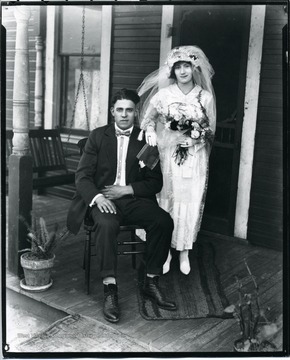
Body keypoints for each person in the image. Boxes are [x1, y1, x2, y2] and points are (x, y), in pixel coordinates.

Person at [66, 88, 177, 324]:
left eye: (129, 110)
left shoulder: (146, 140)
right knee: (106, 224)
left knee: (163, 221)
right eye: (120, 110)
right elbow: (82, 176)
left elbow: (155, 182)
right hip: (102, 199)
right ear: (112, 112)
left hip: (133, 199)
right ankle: (110, 289)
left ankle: (151, 280)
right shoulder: (97, 137)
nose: (124, 115)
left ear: (136, 113)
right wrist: (99, 198)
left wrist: (126, 189)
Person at [137, 46, 216, 275]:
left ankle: (184, 252)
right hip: (168, 157)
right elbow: (147, 120)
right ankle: (166, 252)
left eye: (187, 66)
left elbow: (209, 130)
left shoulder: (205, 97)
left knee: (188, 202)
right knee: (167, 200)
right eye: (178, 67)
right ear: (172, 70)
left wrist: (195, 141)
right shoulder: (164, 95)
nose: (183, 71)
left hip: (193, 158)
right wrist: (151, 130)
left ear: (194, 68)